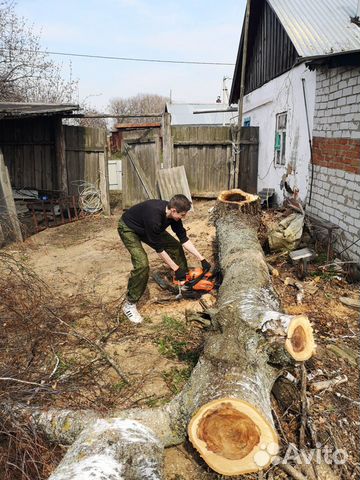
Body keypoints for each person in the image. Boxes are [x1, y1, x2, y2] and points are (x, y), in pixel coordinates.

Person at [118, 194, 211, 323]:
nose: (184, 217)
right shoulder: (154, 217)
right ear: (173, 211)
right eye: (183, 215)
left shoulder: (174, 216)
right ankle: (129, 304)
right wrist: (175, 268)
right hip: (129, 228)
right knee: (142, 264)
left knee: (176, 246)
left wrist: (202, 259)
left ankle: (182, 283)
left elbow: (183, 239)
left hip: (148, 228)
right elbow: (159, 249)